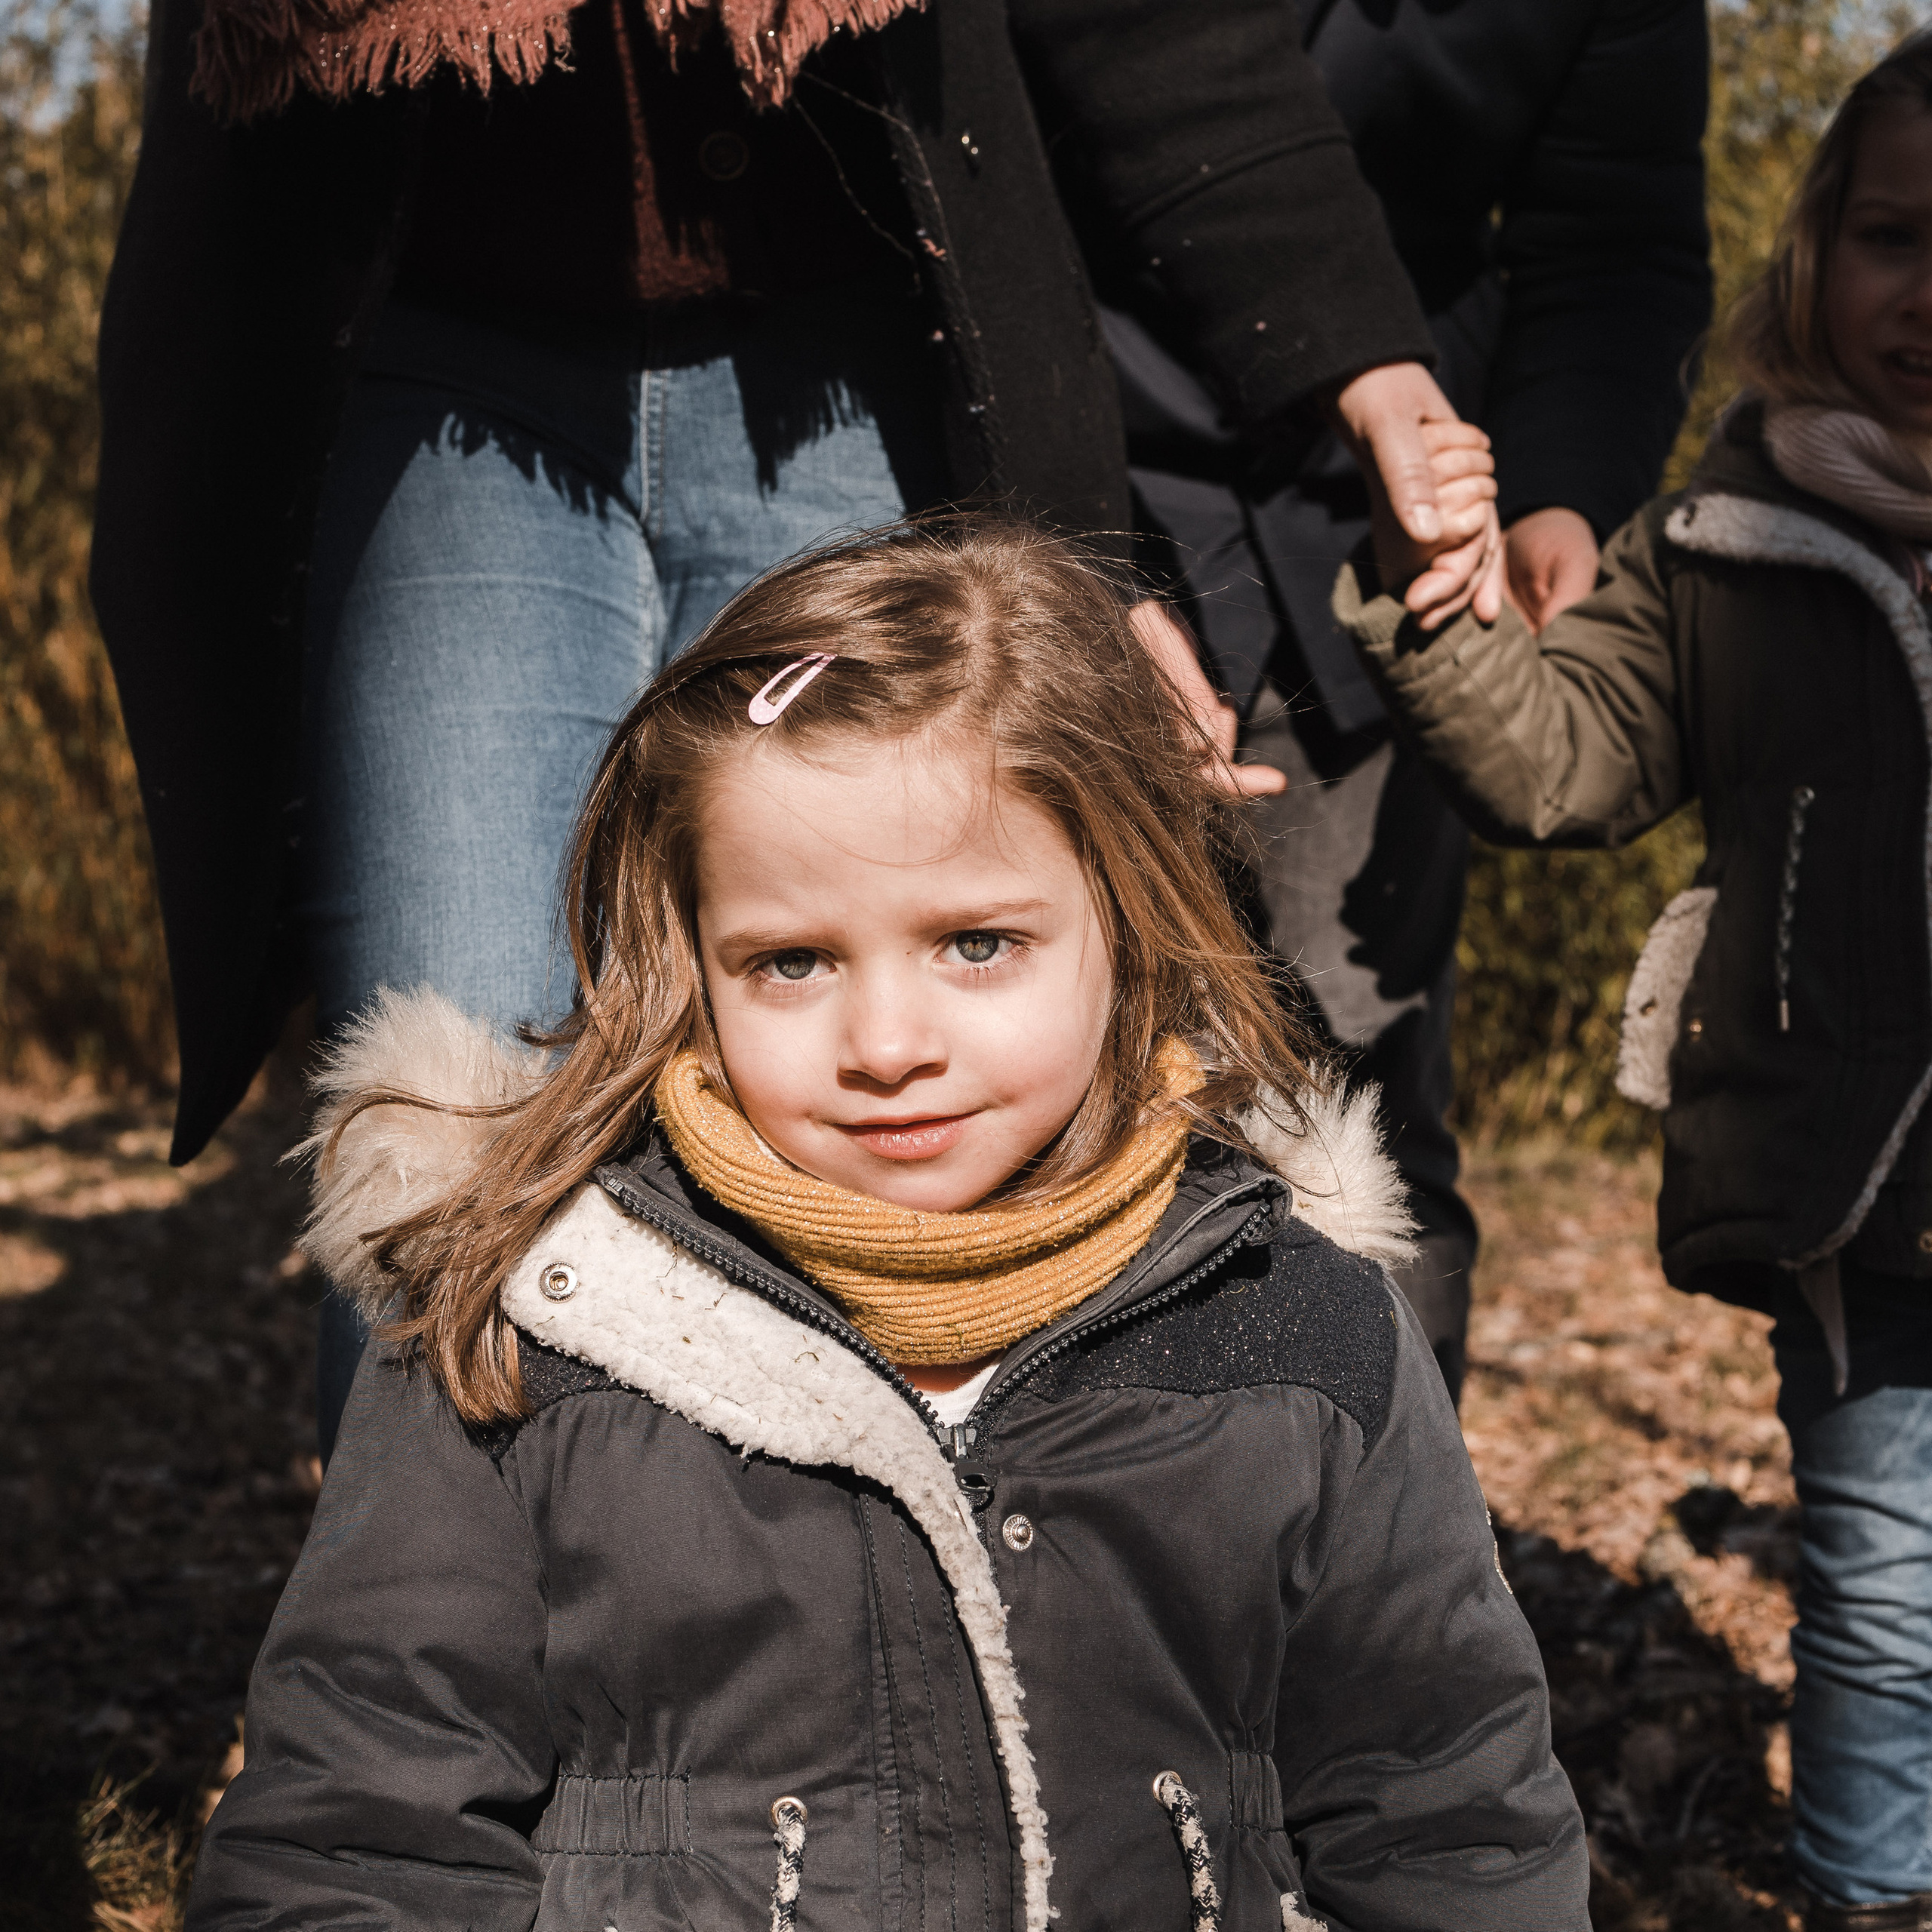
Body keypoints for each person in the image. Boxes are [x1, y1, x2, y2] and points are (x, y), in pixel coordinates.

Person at [92, 0, 1499, 1457]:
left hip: (847, 355)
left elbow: (1144, 30)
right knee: (461, 1115)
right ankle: (453, 1643)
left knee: (918, 1084)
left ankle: (917, 1629)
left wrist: (1364, 363)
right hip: (437, 378)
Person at [185, 519, 1585, 1929]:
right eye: (791, 961)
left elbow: (1448, 1814)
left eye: (978, 943)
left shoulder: (1302, 1331)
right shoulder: (521, 1323)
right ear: (690, 957)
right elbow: (359, 1839)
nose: (888, 1042)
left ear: (1130, 915)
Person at [1337, 35, 1932, 1927]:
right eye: (1895, 236)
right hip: (1862, 1163)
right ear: (1813, 255)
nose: (1928, 294)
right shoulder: (1732, 541)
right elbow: (1561, 759)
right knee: (1887, 1566)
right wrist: (1438, 600)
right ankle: (1868, 1885)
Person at [1100, 0, 1712, 1402]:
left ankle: (1384, 1572)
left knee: (1351, 1106)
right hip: (1054, 469)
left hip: (1394, 537)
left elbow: (1614, 239)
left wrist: (1567, 496)